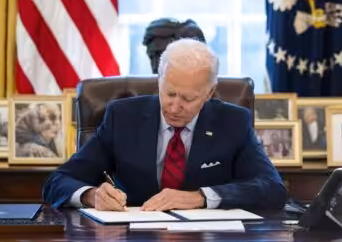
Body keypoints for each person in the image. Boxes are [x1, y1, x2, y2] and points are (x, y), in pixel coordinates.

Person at [43, 39, 287, 211]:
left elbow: (272, 188)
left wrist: (201, 197)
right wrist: (91, 195)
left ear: (209, 92)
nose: (174, 106)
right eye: (169, 93)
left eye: (188, 98)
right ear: (159, 80)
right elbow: (59, 181)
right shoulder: (122, 117)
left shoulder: (233, 122)